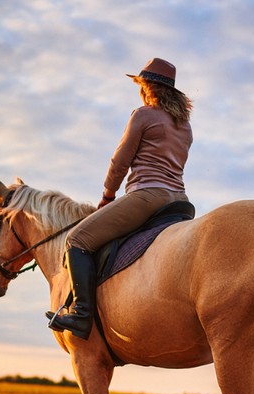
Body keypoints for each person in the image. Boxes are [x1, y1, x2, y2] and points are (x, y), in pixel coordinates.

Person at [48, 57, 194, 339]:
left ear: (147, 86)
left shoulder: (143, 115)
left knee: (76, 240)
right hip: (181, 202)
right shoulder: (185, 127)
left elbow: (120, 161)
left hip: (147, 196)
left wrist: (107, 195)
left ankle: (81, 314)